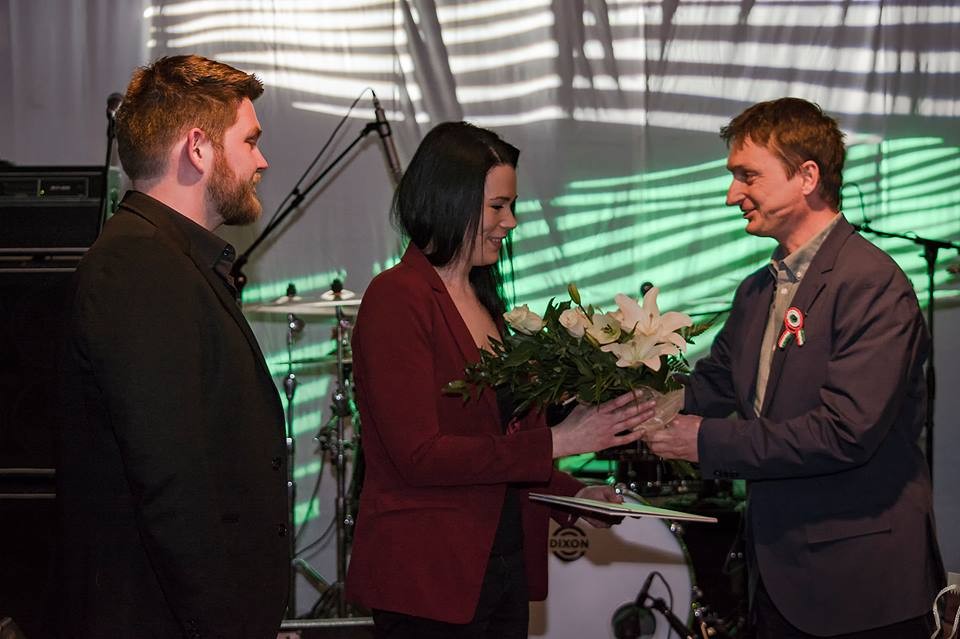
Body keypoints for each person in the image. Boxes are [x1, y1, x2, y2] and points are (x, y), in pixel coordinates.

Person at [644, 97, 945, 638]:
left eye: (747, 176)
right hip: (777, 577)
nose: (732, 194)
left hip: (859, 587)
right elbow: (712, 385)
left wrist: (705, 441)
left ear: (807, 177)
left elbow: (844, 433)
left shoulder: (872, 284)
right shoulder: (757, 290)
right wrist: (631, 406)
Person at [345, 121, 655, 638]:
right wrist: (560, 441)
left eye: (512, 206)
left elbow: (499, 448)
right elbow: (420, 456)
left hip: (501, 566)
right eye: (497, 206)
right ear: (450, 200)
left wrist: (574, 494)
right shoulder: (397, 297)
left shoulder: (486, 301)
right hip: (431, 577)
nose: (510, 222)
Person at [57, 55, 289, 638]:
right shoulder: (139, 265)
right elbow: (171, 478)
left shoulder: (168, 258)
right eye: (250, 140)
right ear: (198, 148)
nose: (262, 160)